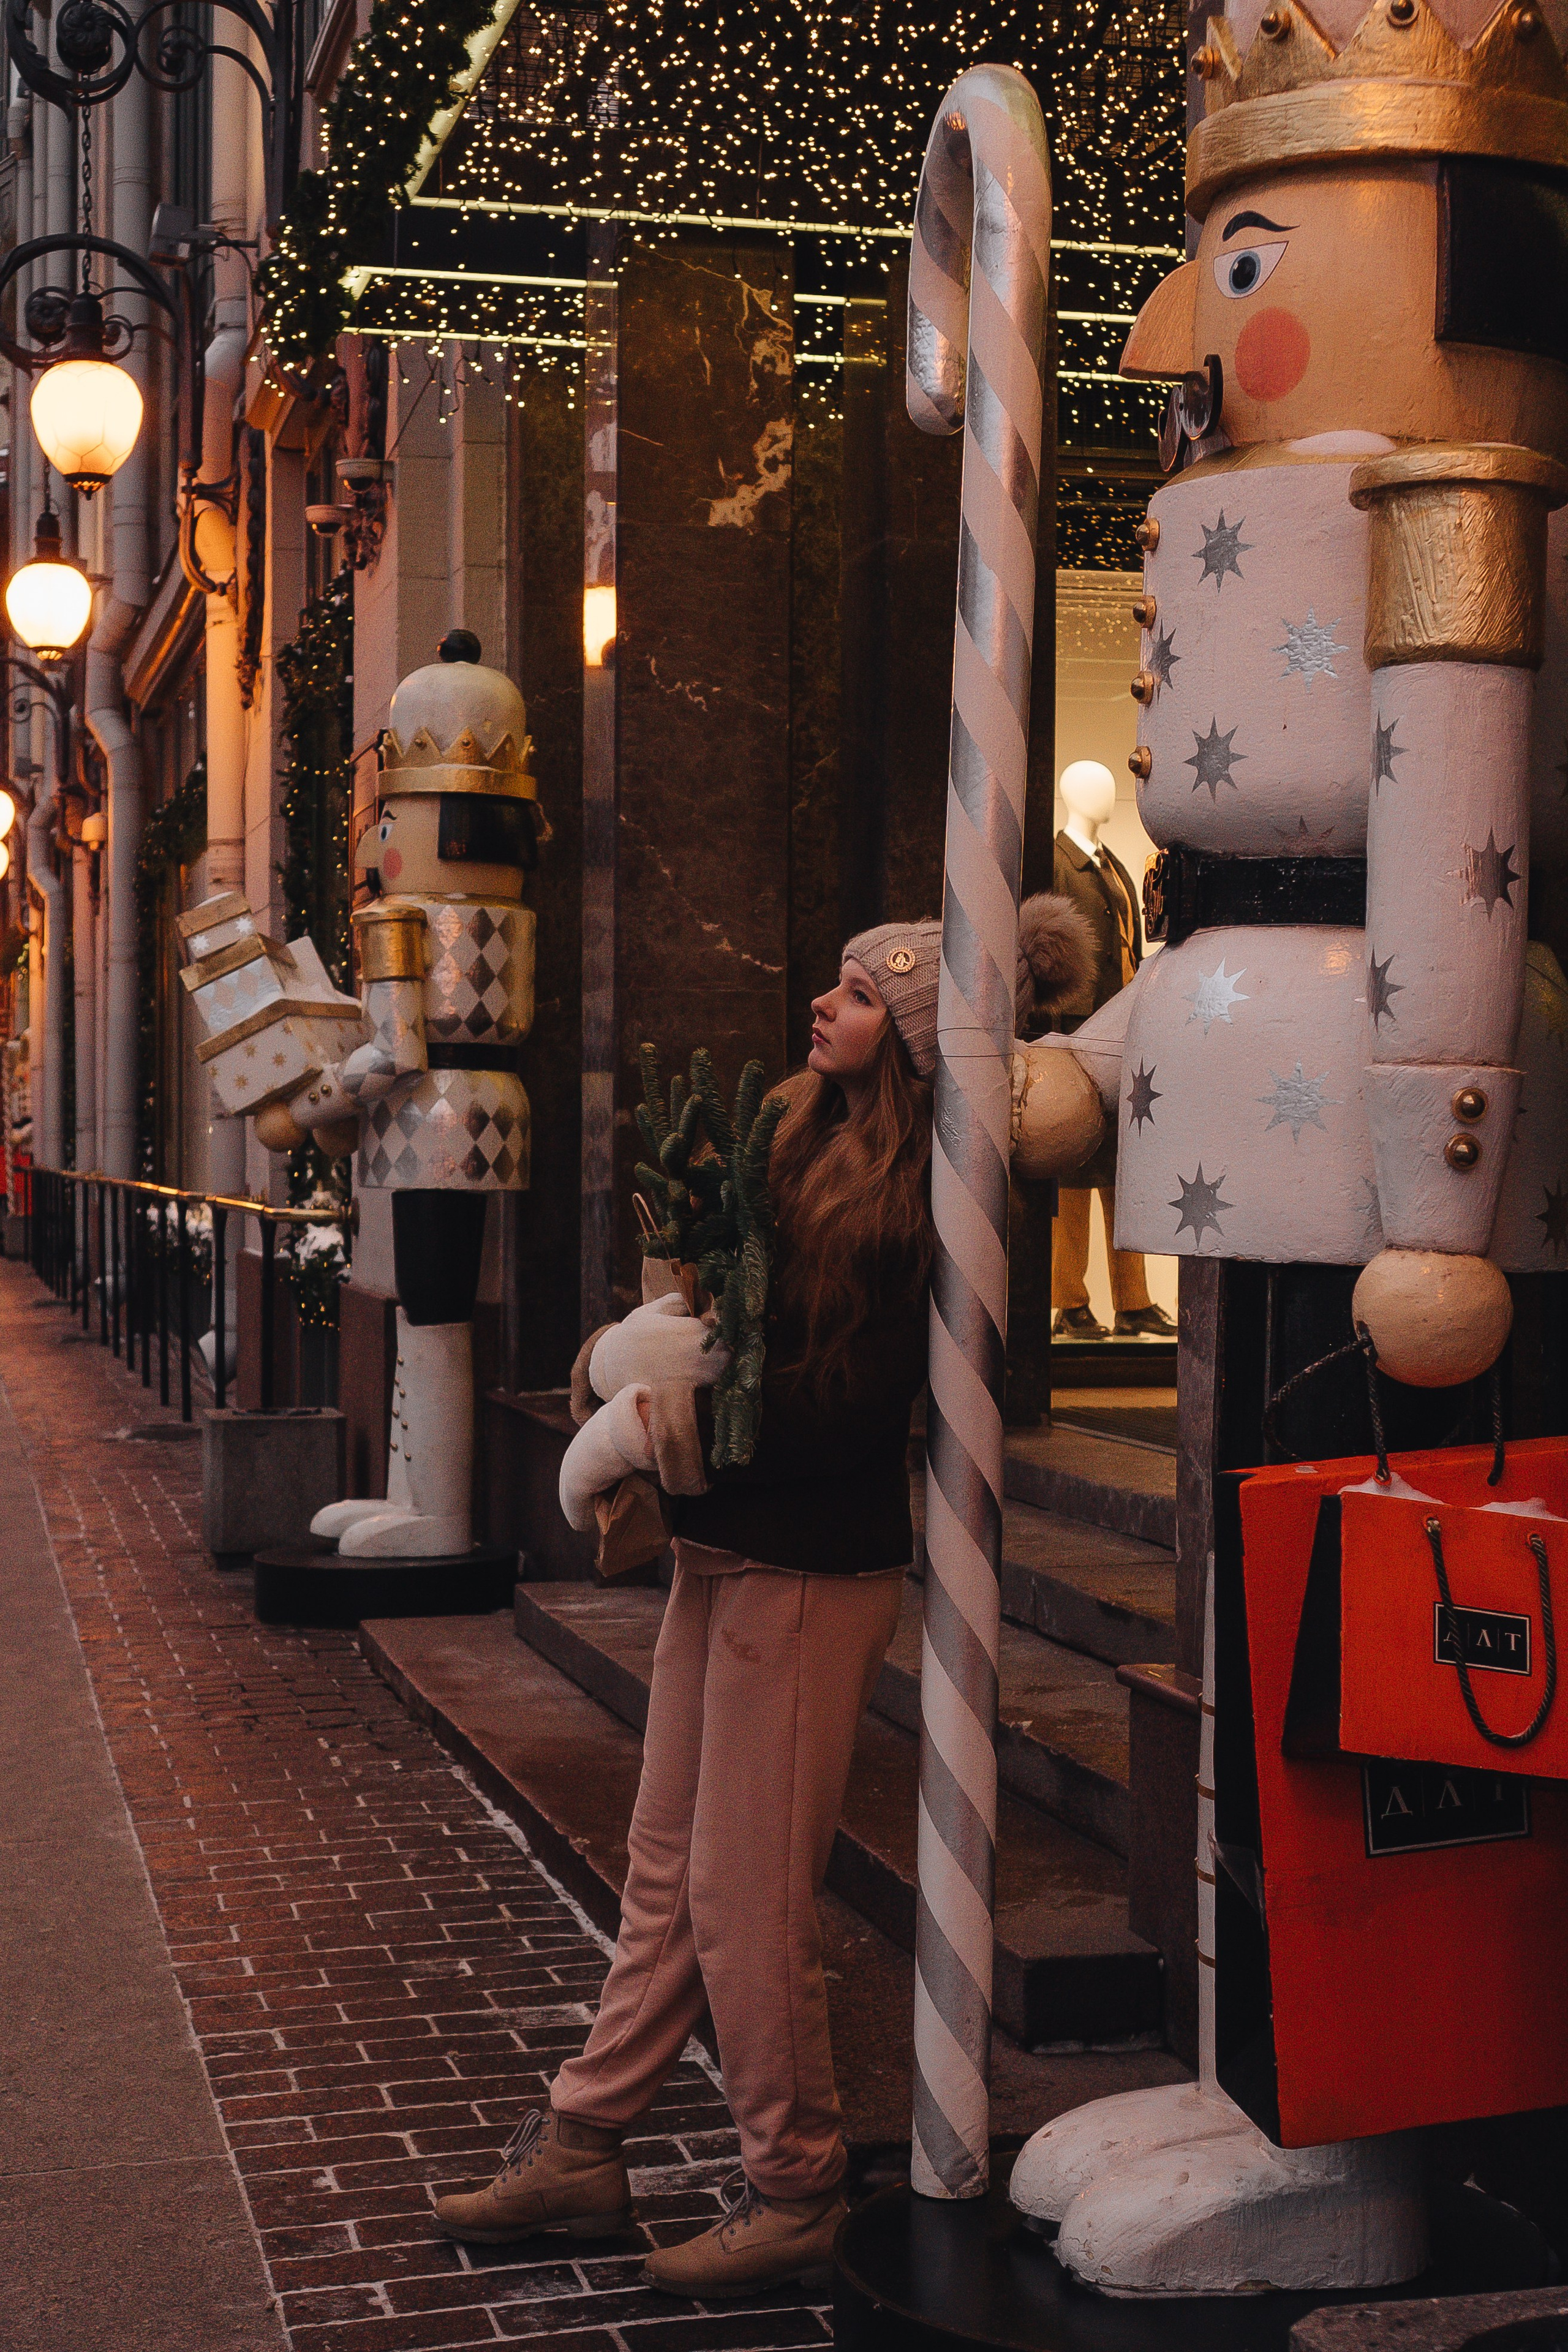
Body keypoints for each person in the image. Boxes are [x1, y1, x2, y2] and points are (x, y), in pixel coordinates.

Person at [434, 897, 1088, 2297]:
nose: (823, 1003)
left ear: (909, 1045)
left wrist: (663, 1422)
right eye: (832, 981)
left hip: (807, 1570)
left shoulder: (917, 1204)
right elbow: (728, 1328)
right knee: (668, 1866)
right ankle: (584, 2136)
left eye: (858, 995)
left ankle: (792, 2182)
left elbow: (841, 1412)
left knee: (742, 1897)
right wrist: (648, 1351)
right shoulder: (790, 1138)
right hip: (725, 1552)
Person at [1050, 759, 1172, 1341]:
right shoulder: (1055, 864)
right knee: (1071, 1173)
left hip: (1120, 1037)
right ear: (1070, 793)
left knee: (1123, 1172)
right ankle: (1069, 1301)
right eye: (1093, 786)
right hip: (1076, 1036)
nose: (1107, 795)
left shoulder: (1113, 865)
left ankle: (1133, 1301)